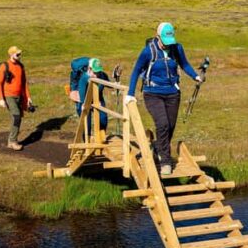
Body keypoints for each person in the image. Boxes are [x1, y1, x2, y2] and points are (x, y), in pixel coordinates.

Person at [126, 23, 202, 175]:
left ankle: (158, 147)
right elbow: (136, 71)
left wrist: (195, 76)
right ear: (158, 37)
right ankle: (165, 161)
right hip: (152, 93)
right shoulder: (148, 51)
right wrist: (130, 93)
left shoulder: (177, 48)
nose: (168, 45)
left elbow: (184, 64)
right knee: (162, 124)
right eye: (165, 42)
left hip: (173, 93)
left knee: (171, 126)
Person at [0, 46, 32, 151]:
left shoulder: (21, 66)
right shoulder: (4, 66)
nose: (20, 56)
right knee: (16, 116)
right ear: (11, 54)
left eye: (20, 54)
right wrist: (1, 99)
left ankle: (11, 140)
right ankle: (13, 141)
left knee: (18, 117)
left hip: (19, 97)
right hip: (8, 96)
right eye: (17, 54)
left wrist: (28, 97)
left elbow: (24, 83)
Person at [77, 58, 110, 138]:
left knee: (103, 118)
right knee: (86, 123)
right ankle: (86, 142)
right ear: (89, 69)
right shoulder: (84, 79)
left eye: (98, 72)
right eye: (95, 72)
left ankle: (101, 137)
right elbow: (82, 95)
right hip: (85, 100)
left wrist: (116, 83)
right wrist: (85, 105)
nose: (97, 75)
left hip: (98, 99)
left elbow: (108, 83)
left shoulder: (102, 75)